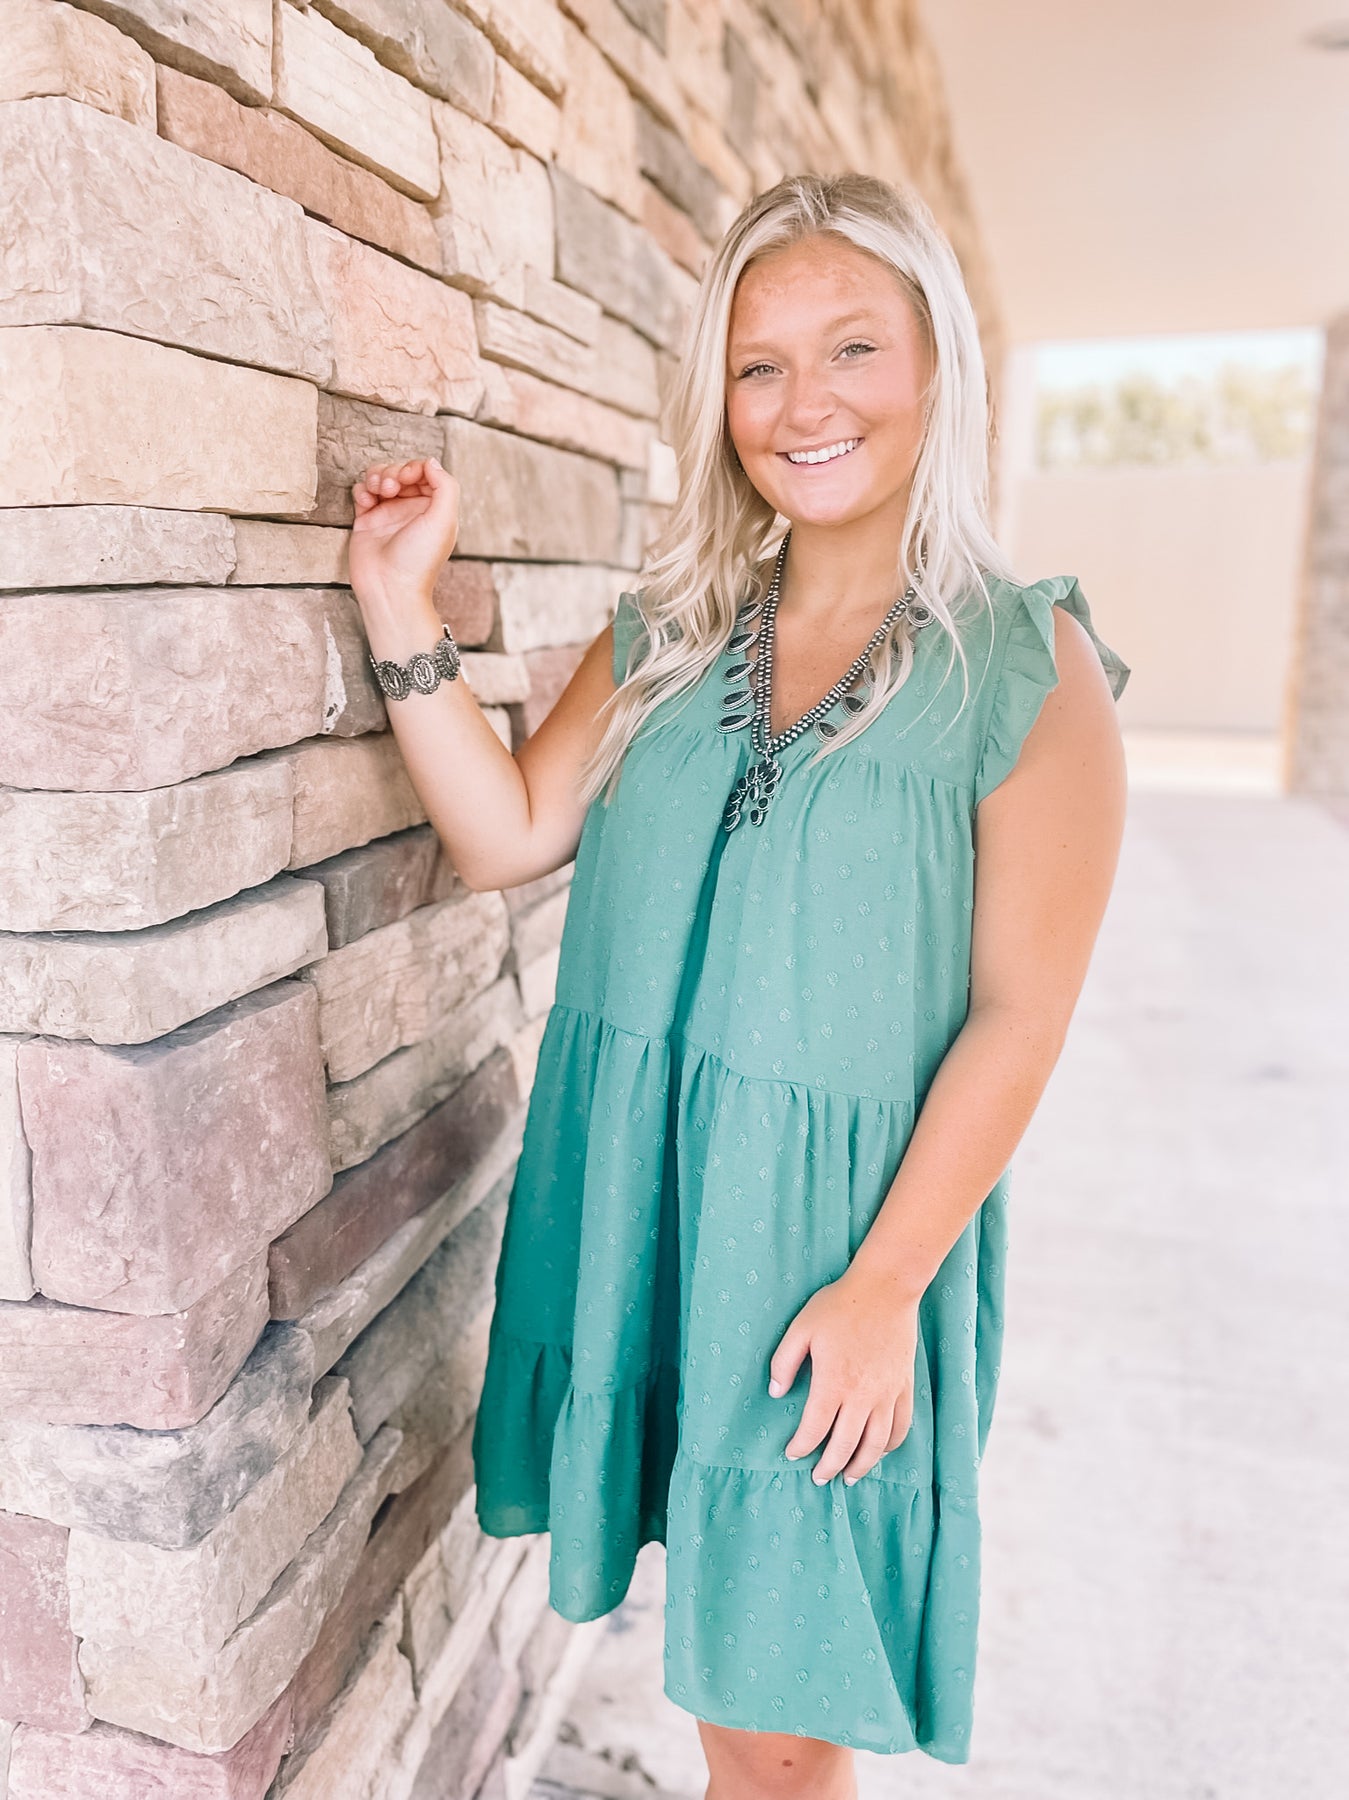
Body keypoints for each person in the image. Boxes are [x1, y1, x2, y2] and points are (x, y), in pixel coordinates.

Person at [346, 171, 1130, 1800]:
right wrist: (395, 605)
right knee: (730, 1721)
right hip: (645, 1203)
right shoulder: (671, 633)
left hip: (830, 1251)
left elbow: (1020, 1018)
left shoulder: (1024, 664)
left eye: (852, 348)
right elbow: (504, 832)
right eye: (758, 366)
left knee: (775, 1742)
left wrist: (882, 1289)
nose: (802, 404)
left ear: (937, 365)